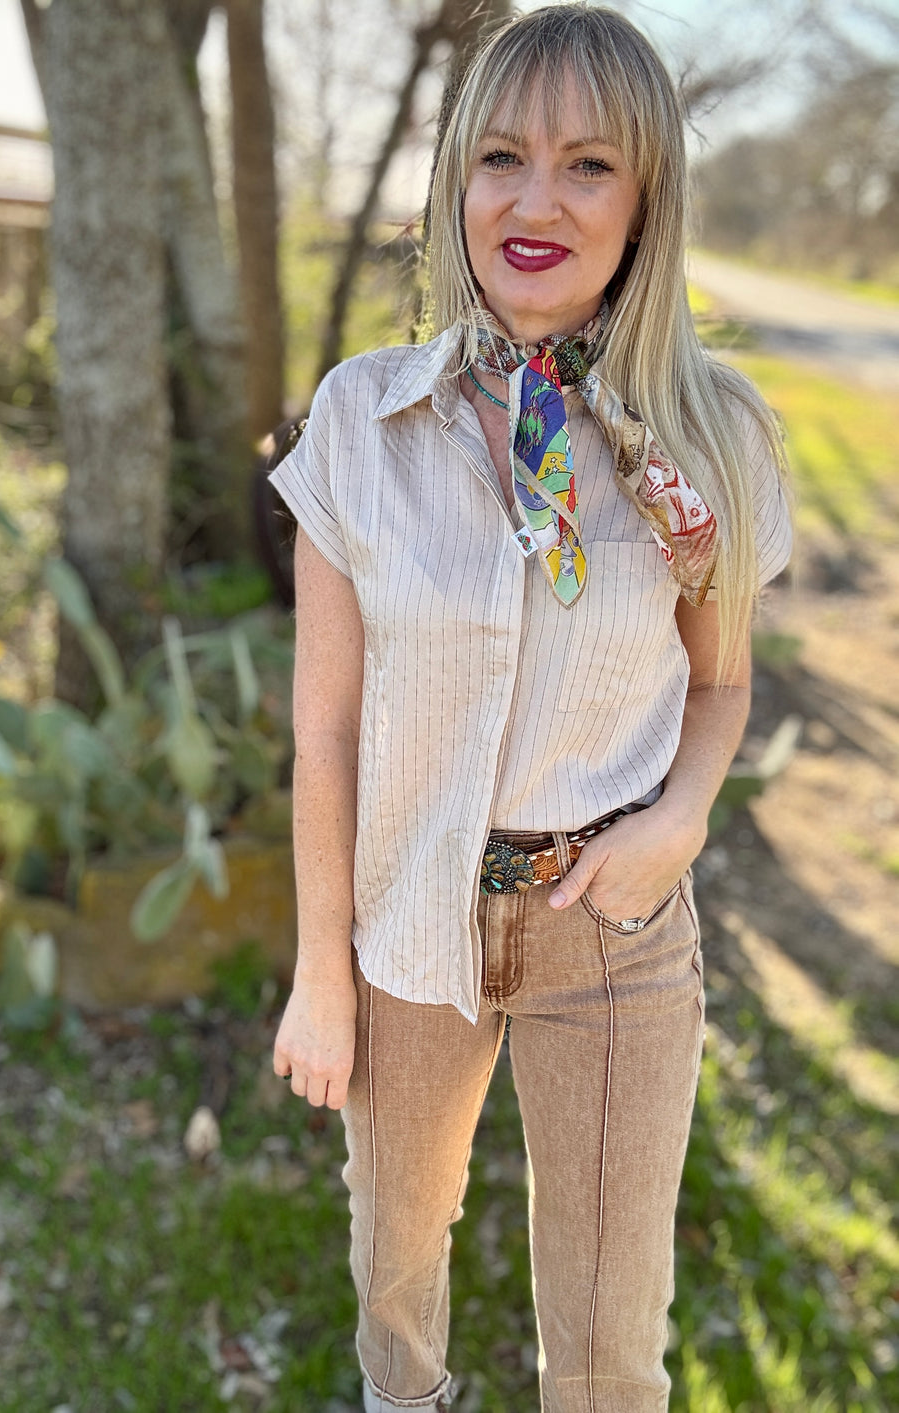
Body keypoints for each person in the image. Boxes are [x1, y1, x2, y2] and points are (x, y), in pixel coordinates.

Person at [269, 6, 792, 1410]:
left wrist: (680, 818)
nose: (535, 202)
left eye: (588, 165)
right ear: (457, 179)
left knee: (613, 1334)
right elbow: (324, 731)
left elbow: (722, 679)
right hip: (408, 916)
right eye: (502, 156)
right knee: (395, 1280)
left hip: (610, 927)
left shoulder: (714, 438)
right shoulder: (362, 422)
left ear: (648, 196)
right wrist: (321, 969)